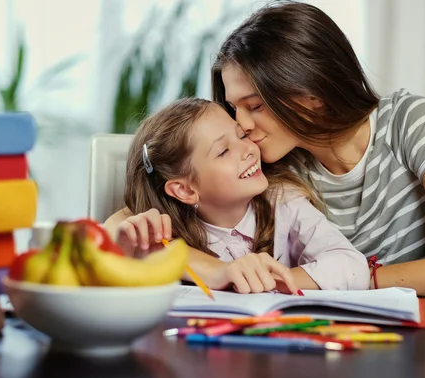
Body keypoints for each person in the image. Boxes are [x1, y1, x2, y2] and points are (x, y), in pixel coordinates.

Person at [106, 1, 425, 299]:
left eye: (254, 106)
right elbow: (123, 221)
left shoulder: (406, 122)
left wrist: (352, 279)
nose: (242, 125)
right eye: (234, 107)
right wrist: (220, 272)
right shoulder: (272, 166)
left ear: (311, 94)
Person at [119, 97, 369, 293]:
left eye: (241, 135)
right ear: (185, 190)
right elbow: (114, 264)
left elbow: (353, 267)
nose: (249, 149)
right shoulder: (168, 234)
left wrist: (272, 279)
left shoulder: (283, 202)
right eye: (224, 151)